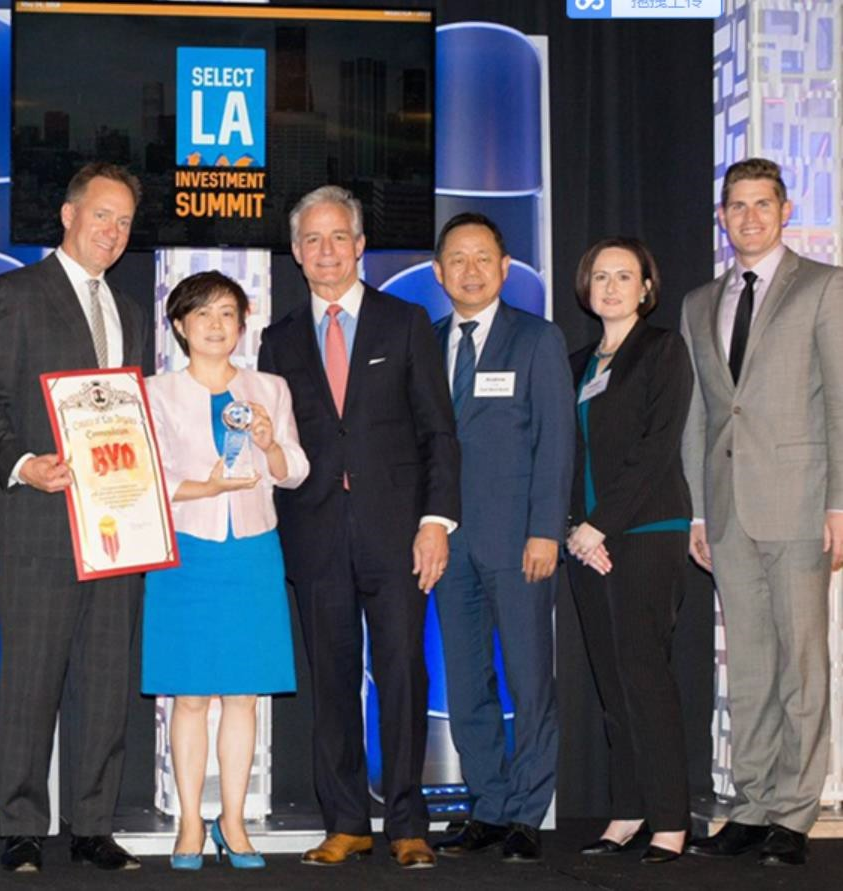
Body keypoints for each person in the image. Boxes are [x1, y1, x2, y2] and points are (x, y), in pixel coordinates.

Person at [258, 185, 460, 870]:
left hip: (398, 533)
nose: (325, 251)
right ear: (296, 252)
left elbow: (439, 430)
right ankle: (346, 821)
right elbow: (273, 444)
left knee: (404, 673)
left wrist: (435, 522)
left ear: (360, 244)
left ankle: (408, 822)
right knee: (332, 681)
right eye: (311, 240)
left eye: (337, 236)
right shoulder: (277, 339)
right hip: (314, 536)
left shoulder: (405, 323)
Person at [0, 162, 150, 873]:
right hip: (40, 516)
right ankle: (19, 826)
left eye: (125, 221)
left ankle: (91, 825)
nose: (112, 231)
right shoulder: (14, 293)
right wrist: (21, 465)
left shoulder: (129, 313)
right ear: (69, 215)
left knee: (105, 679)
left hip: (118, 522)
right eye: (101, 214)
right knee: (31, 678)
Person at [681, 157, 843, 867]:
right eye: (736, 205)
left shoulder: (825, 287)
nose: (748, 216)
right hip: (726, 510)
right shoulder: (697, 302)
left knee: (801, 663)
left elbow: (841, 401)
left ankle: (794, 811)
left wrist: (842, 500)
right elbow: (700, 418)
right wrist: (694, 513)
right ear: (722, 216)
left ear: (784, 208)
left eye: (761, 204)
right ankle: (748, 806)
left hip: (803, 502)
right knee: (746, 666)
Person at [143, 271, 308, 870]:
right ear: (181, 326)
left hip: (253, 550)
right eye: (203, 315)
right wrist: (203, 485)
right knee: (189, 698)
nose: (216, 325)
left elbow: (296, 471)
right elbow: (147, 479)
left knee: (243, 696)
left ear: (244, 324)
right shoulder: (156, 392)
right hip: (186, 550)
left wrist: (267, 444)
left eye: (228, 314)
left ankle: (233, 822)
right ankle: (190, 822)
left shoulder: (271, 387)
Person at [428, 213, 574, 863]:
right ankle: (486, 805)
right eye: (456, 259)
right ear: (439, 273)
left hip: (520, 543)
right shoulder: (427, 343)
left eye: (482, 257)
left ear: (505, 267)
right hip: (448, 545)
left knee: (528, 679)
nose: (470, 269)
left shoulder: (537, 340)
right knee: (465, 683)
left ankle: (525, 813)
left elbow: (556, 446)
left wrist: (546, 530)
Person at [564, 237, 694, 864]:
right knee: (612, 683)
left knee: (646, 678)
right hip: (587, 543)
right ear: (586, 288)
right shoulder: (578, 362)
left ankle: (671, 821)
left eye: (625, 276)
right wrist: (576, 529)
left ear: (647, 287)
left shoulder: (663, 350)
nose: (611, 287)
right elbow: (565, 456)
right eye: (600, 276)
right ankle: (628, 809)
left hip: (645, 535)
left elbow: (655, 446)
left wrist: (601, 526)